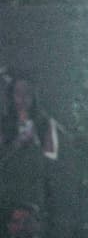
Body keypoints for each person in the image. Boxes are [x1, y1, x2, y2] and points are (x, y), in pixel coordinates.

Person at [0, 75, 59, 225]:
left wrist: (37, 143)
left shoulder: (44, 123)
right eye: (18, 93)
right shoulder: (4, 124)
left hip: (35, 192)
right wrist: (17, 143)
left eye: (27, 93)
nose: (22, 98)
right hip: (9, 191)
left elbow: (51, 157)